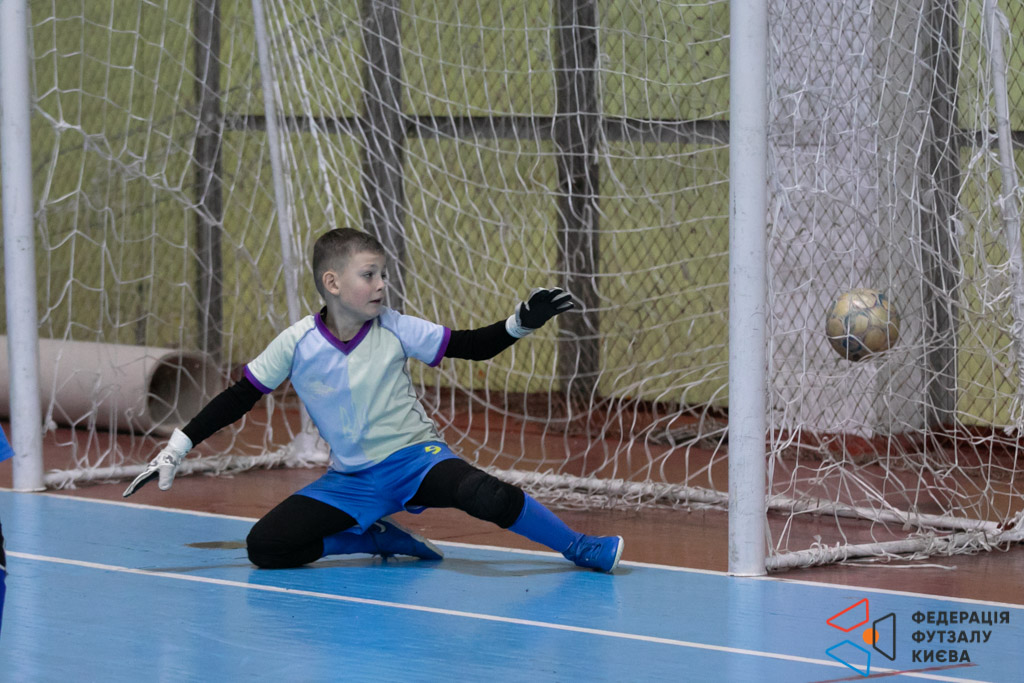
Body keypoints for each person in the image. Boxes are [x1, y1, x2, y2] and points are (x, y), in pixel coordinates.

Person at [124, 228, 623, 573]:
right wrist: (177, 447)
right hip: (350, 482)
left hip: (417, 461)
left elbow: (473, 346)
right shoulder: (296, 343)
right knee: (266, 548)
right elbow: (238, 397)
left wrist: (520, 323)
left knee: (486, 495)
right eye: (369, 274)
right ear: (333, 282)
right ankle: (375, 536)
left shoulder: (396, 327)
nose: (382, 284)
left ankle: (580, 547)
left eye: (383, 274)